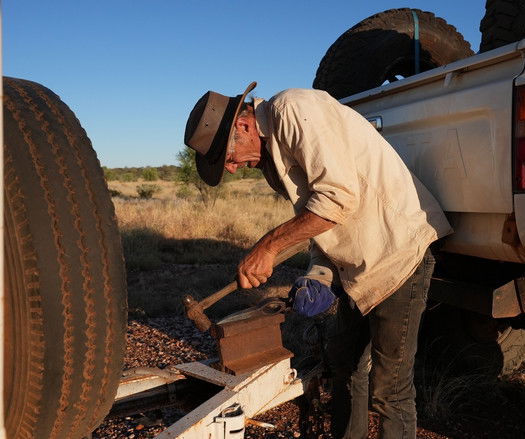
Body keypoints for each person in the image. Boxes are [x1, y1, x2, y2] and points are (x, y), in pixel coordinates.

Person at [183, 81, 452, 439]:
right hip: (357, 269)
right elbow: (316, 222)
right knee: (345, 365)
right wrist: (318, 273)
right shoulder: (272, 156)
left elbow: (337, 199)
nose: (232, 169)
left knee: (390, 389)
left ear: (243, 126)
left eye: (228, 159)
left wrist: (268, 247)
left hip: (398, 255)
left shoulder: (294, 109)